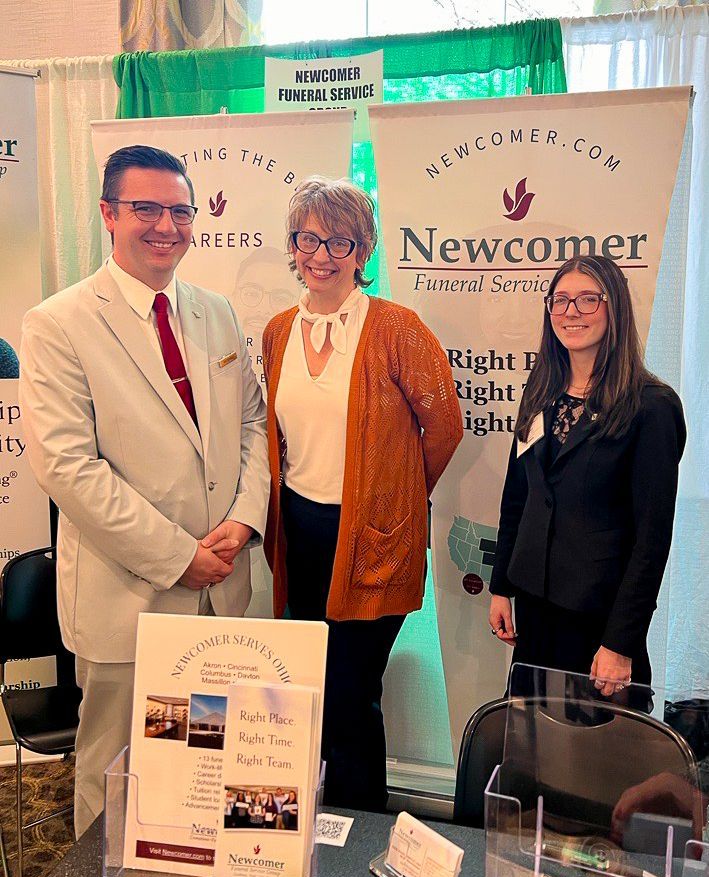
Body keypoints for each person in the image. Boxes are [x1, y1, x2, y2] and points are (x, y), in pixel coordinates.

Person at [19, 145, 270, 838]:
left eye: (180, 211)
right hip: (129, 596)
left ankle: (189, 870)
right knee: (117, 770)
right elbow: (68, 467)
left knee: (203, 765)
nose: (166, 225)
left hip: (221, 588)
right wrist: (178, 556)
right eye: (146, 209)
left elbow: (252, 422)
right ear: (108, 214)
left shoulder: (216, 312)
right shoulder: (59, 323)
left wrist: (245, 520)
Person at [262, 176, 463, 811]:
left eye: (339, 241)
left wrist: (397, 498)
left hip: (373, 542)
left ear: (363, 250)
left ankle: (359, 831)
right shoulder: (277, 332)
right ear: (292, 246)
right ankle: (311, 827)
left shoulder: (397, 328)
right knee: (310, 689)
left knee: (352, 694)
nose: (321, 255)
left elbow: (445, 425)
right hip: (300, 536)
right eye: (308, 239)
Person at [488, 255, 686, 695]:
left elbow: (652, 539)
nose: (570, 312)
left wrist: (620, 642)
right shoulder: (541, 391)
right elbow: (517, 497)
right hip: (535, 610)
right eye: (560, 300)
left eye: (587, 299)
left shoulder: (651, 407)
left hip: (599, 622)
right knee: (530, 735)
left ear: (614, 307)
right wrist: (501, 586)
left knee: (593, 740)